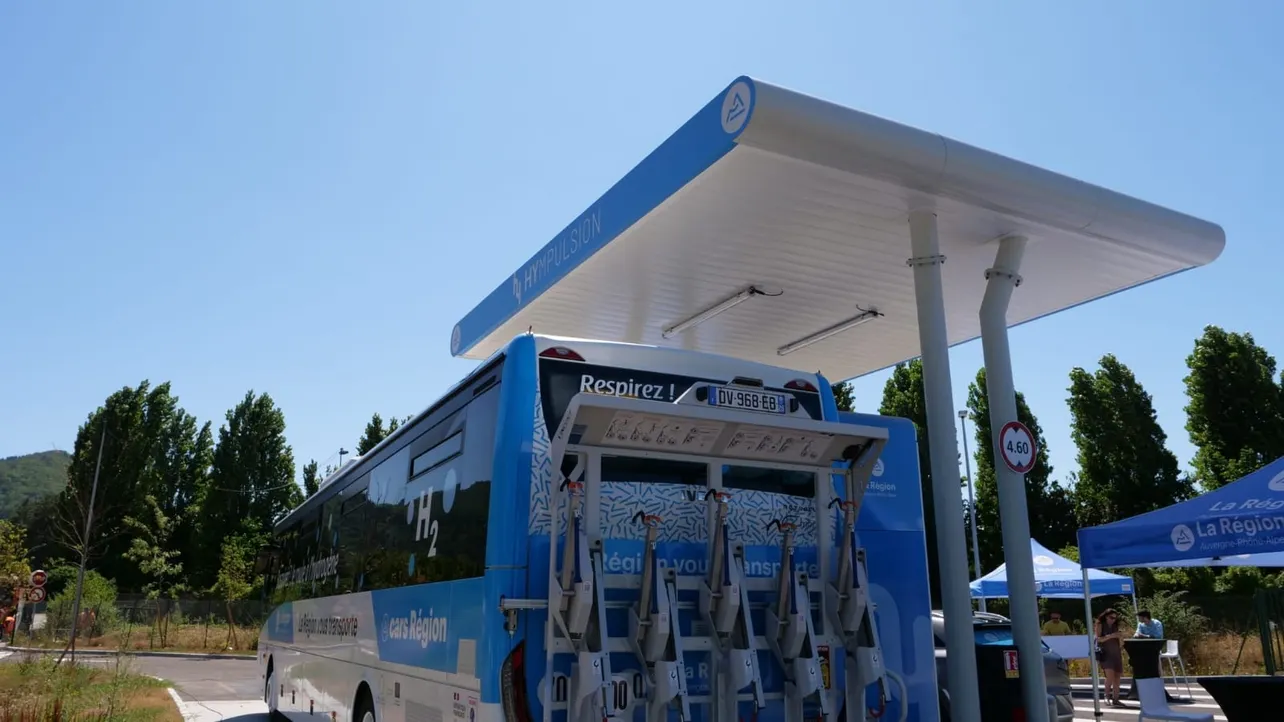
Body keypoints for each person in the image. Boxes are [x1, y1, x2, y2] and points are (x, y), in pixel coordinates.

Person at [1095, 608, 1126, 707]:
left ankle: (1116, 699)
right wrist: (1112, 636)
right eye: (1111, 617)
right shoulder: (1100, 624)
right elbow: (1098, 639)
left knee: (1117, 677)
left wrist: (1120, 637)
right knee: (1110, 676)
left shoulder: (1115, 625)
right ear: (1106, 616)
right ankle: (1106, 696)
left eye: (1115, 618)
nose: (1113, 620)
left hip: (1116, 653)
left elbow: (1120, 640)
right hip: (1105, 653)